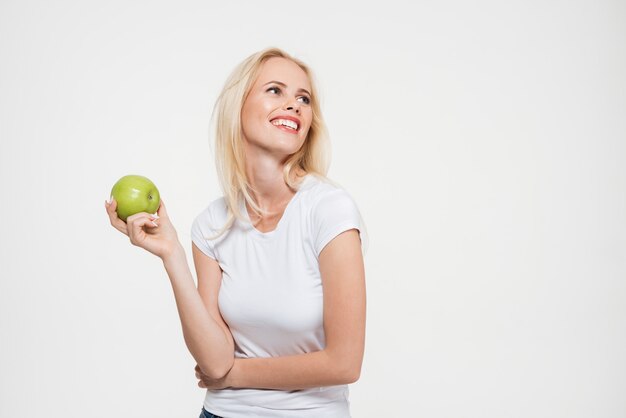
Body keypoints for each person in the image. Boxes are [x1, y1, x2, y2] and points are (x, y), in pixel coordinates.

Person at [105, 47, 366, 418]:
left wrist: (236, 374)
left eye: (303, 98)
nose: (294, 105)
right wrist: (172, 255)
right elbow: (214, 361)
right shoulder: (211, 225)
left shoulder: (329, 210)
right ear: (238, 107)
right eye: (275, 90)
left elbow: (344, 363)